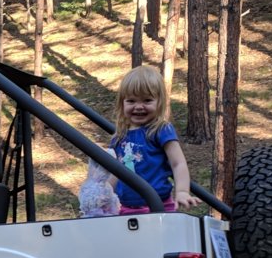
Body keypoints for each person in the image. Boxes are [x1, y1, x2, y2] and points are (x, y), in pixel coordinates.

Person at [79, 65, 200, 216]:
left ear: (159, 102)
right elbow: (116, 171)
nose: (139, 107)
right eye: (131, 101)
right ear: (122, 103)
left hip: (158, 206)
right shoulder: (119, 136)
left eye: (147, 100)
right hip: (126, 208)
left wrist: (182, 191)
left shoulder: (160, 130)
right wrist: (105, 193)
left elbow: (178, 163)